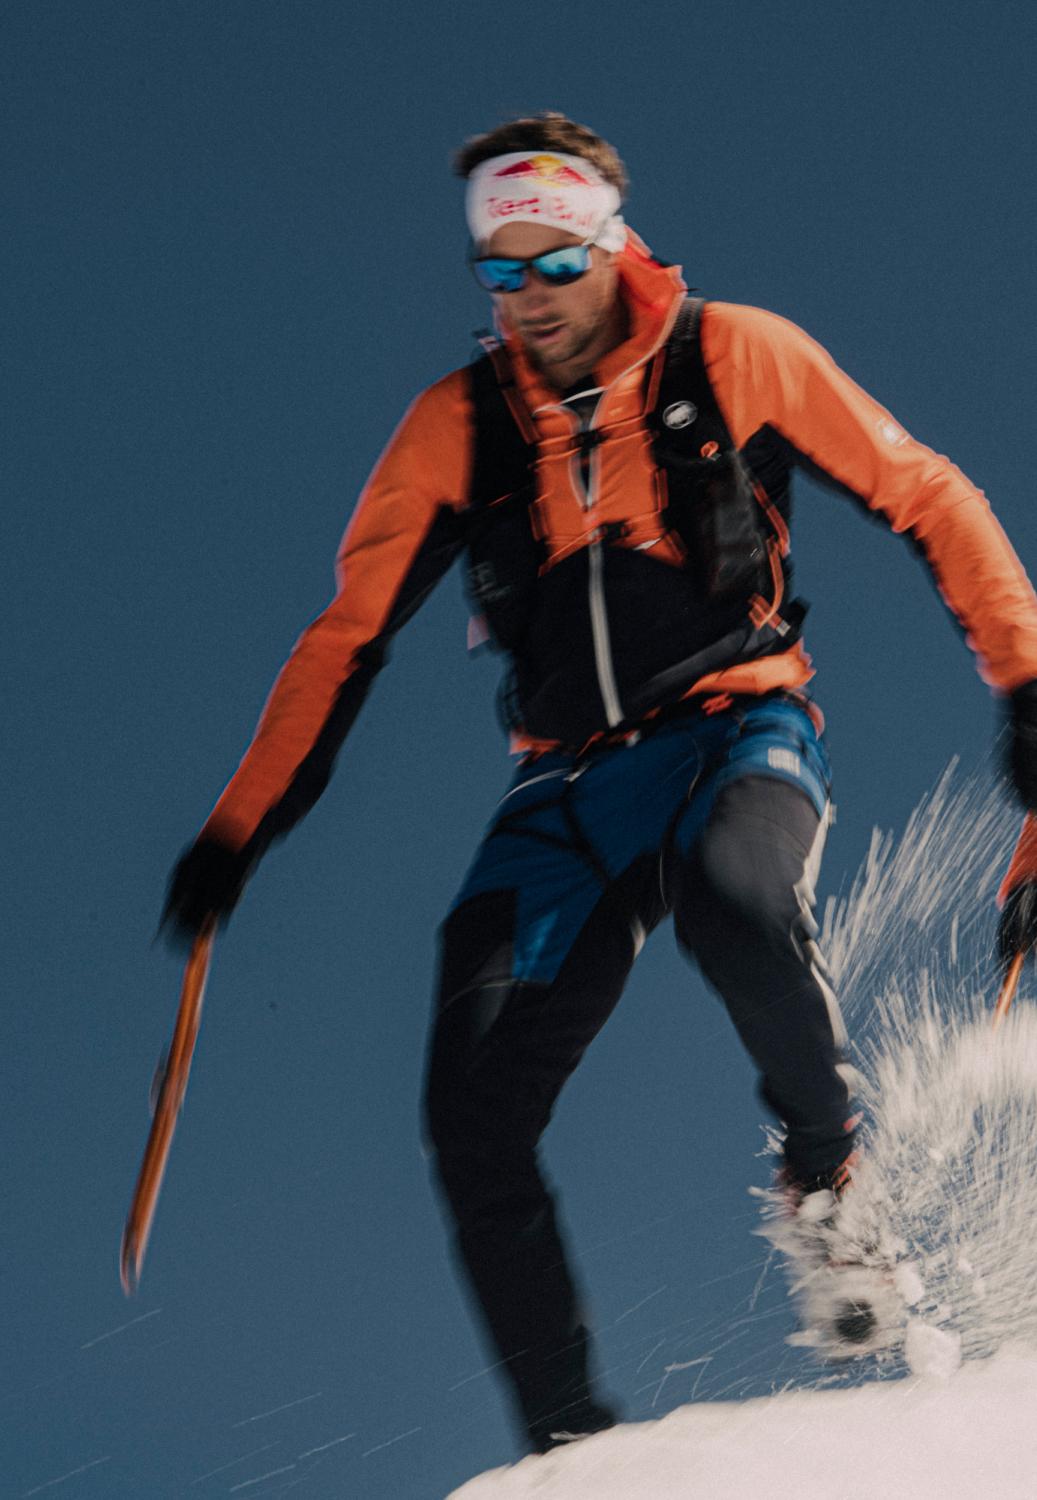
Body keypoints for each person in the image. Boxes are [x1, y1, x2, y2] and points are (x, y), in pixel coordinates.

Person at [163, 113, 1037, 1453]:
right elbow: (345, 638)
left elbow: (925, 492)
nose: (529, 299)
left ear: (610, 246)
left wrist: (1025, 679)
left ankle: (827, 1180)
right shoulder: (457, 428)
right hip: (564, 796)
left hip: (736, 729)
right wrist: (236, 832)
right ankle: (574, 1457)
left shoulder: (732, 353)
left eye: (555, 264)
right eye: (499, 272)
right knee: (470, 1111)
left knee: (734, 904)